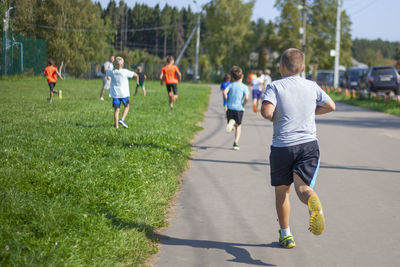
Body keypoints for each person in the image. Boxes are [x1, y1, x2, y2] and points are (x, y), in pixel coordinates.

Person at [261, 48, 336, 248]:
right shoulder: (312, 86)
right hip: (308, 146)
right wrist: (310, 112)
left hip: (282, 147)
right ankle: (312, 200)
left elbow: (267, 112)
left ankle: (286, 235)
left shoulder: (275, 86)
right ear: (302, 68)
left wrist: (276, 115)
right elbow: (331, 106)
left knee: (282, 192)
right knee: (303, 188)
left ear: (281, 67)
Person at [106, 56, 138, 129]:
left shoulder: (112, 72)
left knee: (116, 110)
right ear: (122, 64)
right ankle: (122, 119)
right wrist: (137, 80)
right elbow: (135, 75)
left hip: (115, 94)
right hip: (124, 94)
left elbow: (107, 72)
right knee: (127, 106)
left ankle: (116, 126)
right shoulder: (125, 71)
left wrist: (111, 63)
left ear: (115, 64)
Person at [223, 66, 249, 150]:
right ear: (242, 76)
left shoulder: (231, 85)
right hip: (239, 109)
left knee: (232, 124)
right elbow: (247, 98)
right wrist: (243, 104)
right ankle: (236, 143)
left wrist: (227, 99)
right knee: (239, 126)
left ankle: (231, 123)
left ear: (232, 77)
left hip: (229, 108)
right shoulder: (244, 87)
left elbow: (224, 92)